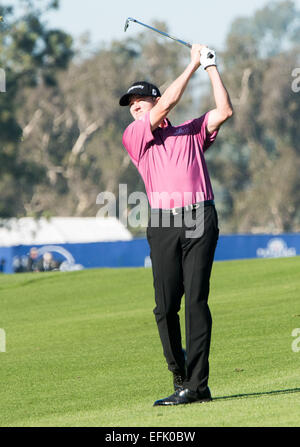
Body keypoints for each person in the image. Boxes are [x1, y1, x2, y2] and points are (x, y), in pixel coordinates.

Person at [119, 44, 233, 406]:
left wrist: (211, 67)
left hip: (200, 217)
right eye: (131, 104)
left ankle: (198, 386)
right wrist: (192, 64)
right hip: (164, 223)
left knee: (197, 300)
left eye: (140, 101)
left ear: (153, 101)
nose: (134, 106)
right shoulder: (135, 136)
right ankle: (181, 376)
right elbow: (168, 103)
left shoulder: (191, 130)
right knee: (165, 307)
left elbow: (225, 110)